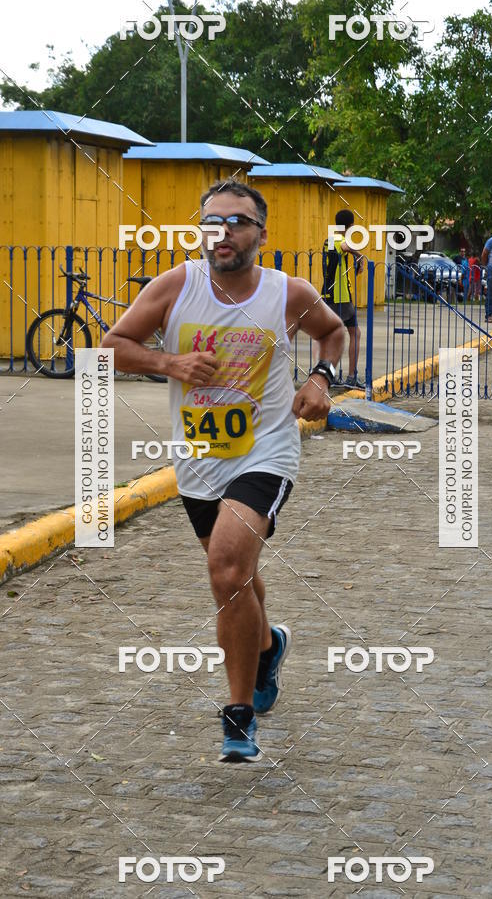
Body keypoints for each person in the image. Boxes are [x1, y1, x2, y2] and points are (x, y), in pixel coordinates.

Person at [102, 180, 345, 761]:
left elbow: (334, 333)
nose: (224, 233)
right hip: (199, 460)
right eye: (212, 222)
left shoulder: (288, 293)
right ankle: (267, 646)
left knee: (226, 564)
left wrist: (319, 378)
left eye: (237, 222)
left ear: (262, 233)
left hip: (267, 450)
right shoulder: (174, 287)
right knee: (237, 576)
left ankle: (238, 717)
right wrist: (169, 361)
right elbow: (110, 346)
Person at [321, 209, 365, 387]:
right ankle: (351, 377)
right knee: (354, 334)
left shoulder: (328, 240)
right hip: (341, 297)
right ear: (351, 226)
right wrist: (360, 257)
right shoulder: (339, 240)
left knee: (332, 337)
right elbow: (346, 246)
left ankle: (328, 376)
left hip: (328, 294)